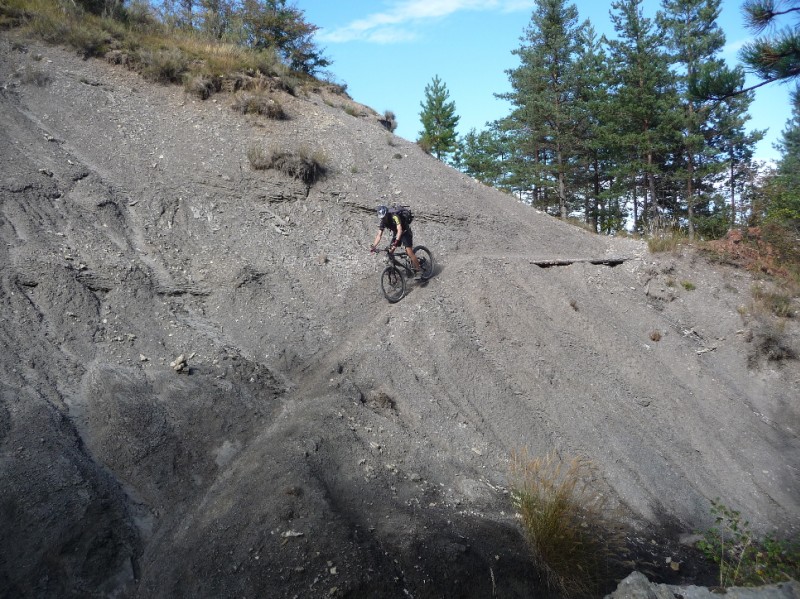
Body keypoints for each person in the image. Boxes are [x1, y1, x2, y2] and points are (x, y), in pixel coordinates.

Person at [370, 205, 423, 278]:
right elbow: (379, 235)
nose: (383, 219)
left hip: (405, 232)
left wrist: (396, 242)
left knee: (409, 251)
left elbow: (400, 229)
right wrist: (374, 246)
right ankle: (392, 269)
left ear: (387, 214)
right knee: (390, 252)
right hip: (397, 233)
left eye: (384, 217)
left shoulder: (394, 216)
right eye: (382, 217)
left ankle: (418, 270)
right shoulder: (383, 221)